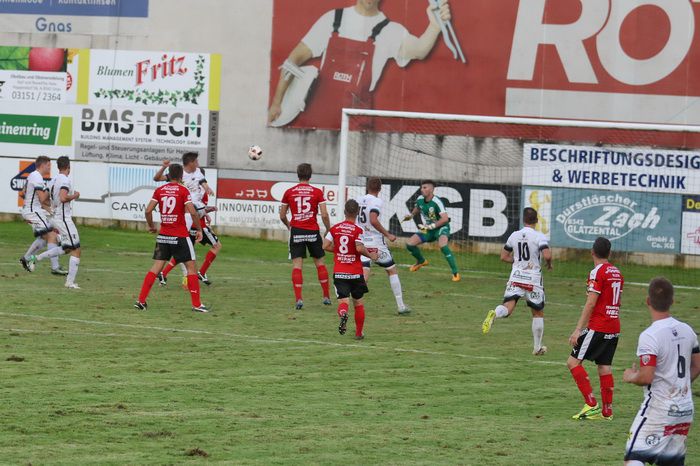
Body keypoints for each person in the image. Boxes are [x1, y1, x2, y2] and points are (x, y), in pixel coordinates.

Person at [268, 0, 452, 128]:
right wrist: (277, 103)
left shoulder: (391, 30)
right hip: (318, 120)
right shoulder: (332, 19)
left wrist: (435, 26)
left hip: (356, 125)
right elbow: (293, 60)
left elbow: (420, 51)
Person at [623, 277, 699, 466]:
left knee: (634, 457)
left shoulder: (650, 336)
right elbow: (697, 365)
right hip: (684, 409)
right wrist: (678, 385)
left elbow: (647, 376)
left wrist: (631, 376)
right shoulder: (687, 330)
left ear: (648, 301)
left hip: (659, 409)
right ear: (672, 301)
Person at [134, 163, 208, 313]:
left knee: (156, 268)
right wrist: (199, 229)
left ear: (169, 175)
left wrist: (151, 226)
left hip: (163, 236)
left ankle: (141, 301)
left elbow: (148, 210)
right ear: (181, 176)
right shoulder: (183, 190)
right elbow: (193, 212)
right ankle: (197, 304)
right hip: (180, 236)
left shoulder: (160, 190)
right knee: (191, 267)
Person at [481, 207, 552, 355]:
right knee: (537, 313)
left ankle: (495, 313)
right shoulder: (539, 236)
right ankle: (537, 347)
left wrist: (517, 262)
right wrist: (549, 264)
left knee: (507, 308)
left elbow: (503, 256)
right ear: (536, 220)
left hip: (516, 276)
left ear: (523, 220)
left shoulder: (514, 235)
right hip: (533, 279)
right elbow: (547, 255)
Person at [568, 237, 623, 420]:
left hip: (599, 326)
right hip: (614, 325)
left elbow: (591, 303)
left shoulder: (597, 272)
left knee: (573, 362)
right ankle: (607, 412)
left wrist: (578, 329)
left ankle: (591, 405)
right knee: (604, 366)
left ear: (592, 252)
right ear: (609, 253)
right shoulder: (617, 272)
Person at [154, 153, 220, 286]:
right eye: (196, 161)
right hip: (187, 214)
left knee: (182, 247)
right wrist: (163, 167)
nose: (198, 164)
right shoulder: (179, 174)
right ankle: (188, 276)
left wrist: (207, 188)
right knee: (182, 246)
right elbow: (157, 178)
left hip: (193, 213)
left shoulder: (198, 173)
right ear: (190, 163)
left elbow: (203, 182)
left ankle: (168, 273)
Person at [323, 199, 378, 339]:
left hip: (340, 272)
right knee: (358, 303)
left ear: (344, 212)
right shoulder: (358, 229)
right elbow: (359, 248)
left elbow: (325, 245)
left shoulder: (335, 228)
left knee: (343, 302)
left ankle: (343, 314)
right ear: (358, 212)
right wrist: (370, 255)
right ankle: (359, 333)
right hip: (355, 273)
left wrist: (338, 251)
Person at [280, 163, 332, 310]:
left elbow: (282, 215)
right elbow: (324, 214)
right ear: (310, 175)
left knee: (297, 266)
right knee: (320, 264)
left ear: (298, 175)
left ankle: (299, 299)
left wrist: (289, 226)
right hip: (313, 231)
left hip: (297, 231)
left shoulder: (289, 192)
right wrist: (328, 229)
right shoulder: (317, 192)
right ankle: (326, 296)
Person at [356, 176, 409, 315]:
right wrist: (388, 234)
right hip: (376, 243)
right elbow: (373, 220)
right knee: (391, 270)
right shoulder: (377, 201)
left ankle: (354, 303)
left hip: (361, 242)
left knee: (364, 271)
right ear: (380, 189)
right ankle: (401, 305)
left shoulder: (358, 199)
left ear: (367, 187)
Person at [27, 156, 82, 288]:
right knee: (76, 249)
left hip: (57, 217)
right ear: (68, 167)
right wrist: (75, 195)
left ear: (58, 167)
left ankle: (36, 258)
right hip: (63, 219)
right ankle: (69, 282)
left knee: (67, 249)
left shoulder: (53, 180)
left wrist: (53, 207)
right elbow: (63, 198)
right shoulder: (65, 180)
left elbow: (44, 199)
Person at [403, 180, 460, 281]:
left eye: (425, 187)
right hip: (428, 229)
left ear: (431, 189)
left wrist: (433, 226)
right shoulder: (420, 199)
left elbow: (445, 219)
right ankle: (421, 261)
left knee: (443, 246)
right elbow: (418, 207)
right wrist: (411, 215)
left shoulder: (437, 201)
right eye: (421, 187)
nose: (422, 189)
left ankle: (455, 273)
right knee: (410, 244)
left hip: (441, 228)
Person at [19, 156, 66, 276]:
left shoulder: (32, 175)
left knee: (45, 238)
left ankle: (26, 258)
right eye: (48, 165)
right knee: (52, 236)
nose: (50, 168)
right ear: (42, 165)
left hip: (32, 211)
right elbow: (42, 198)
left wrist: (44, 207)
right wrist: (52, 199)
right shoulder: (37, 177)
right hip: (33, 212)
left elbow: (22, 193)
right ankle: (55, 267)